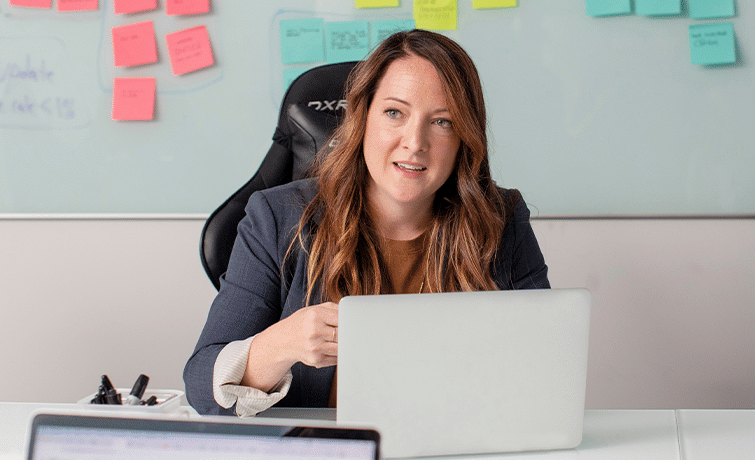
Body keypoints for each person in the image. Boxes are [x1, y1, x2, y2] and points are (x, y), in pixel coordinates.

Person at [184, 30, 550, 416]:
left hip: (452, 437)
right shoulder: (277, 217)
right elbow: (202, 390)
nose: (415, 142)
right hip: (325, 443)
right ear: (362, 118)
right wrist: (282, 344)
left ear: (464, 136)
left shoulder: (501, 219)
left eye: (442, 121)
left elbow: (546, 364)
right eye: (394, 113)